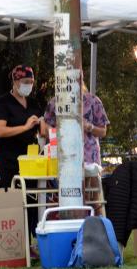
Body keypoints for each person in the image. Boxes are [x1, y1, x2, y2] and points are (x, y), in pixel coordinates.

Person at [44, 74, 110, 213]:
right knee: (64, 197)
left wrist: (90, 127)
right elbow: (46, 128)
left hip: (89, 157)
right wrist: (56, 131)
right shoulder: (55, 102)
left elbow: (103, 131)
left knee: (92, 197)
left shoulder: (93, 101)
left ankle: (98, 229)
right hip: (63, 156)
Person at [0, 65, 45, 240]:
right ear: (15, 81)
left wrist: (44, 124)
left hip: (31, 158)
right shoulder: (3, 102)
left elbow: (41, 130)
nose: (28, 86)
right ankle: (15, 239)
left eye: (31, 82)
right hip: (8, 157)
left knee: (33, 198)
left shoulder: (33, 103)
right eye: (25, 82)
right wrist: (25, 127)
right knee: (14, 198)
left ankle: (36, 238)